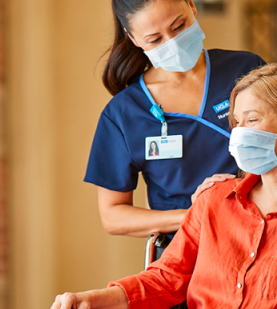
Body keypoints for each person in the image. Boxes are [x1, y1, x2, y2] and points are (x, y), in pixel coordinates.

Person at [46, 63, 277, 309]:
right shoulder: (215, 200)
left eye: (252, 120)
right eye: (235, 123)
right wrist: (89, 299)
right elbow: (162, 281)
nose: (239, 134)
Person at [86, 0, 267, 238]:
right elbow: (113, 215)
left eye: (179, 26)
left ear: (191, 5)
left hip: (264, 230)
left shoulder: (245, 70)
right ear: (134, 39)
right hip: (188, 250)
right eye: (155, 40)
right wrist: (197, 213)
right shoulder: (123, 114)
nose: (172, 43)